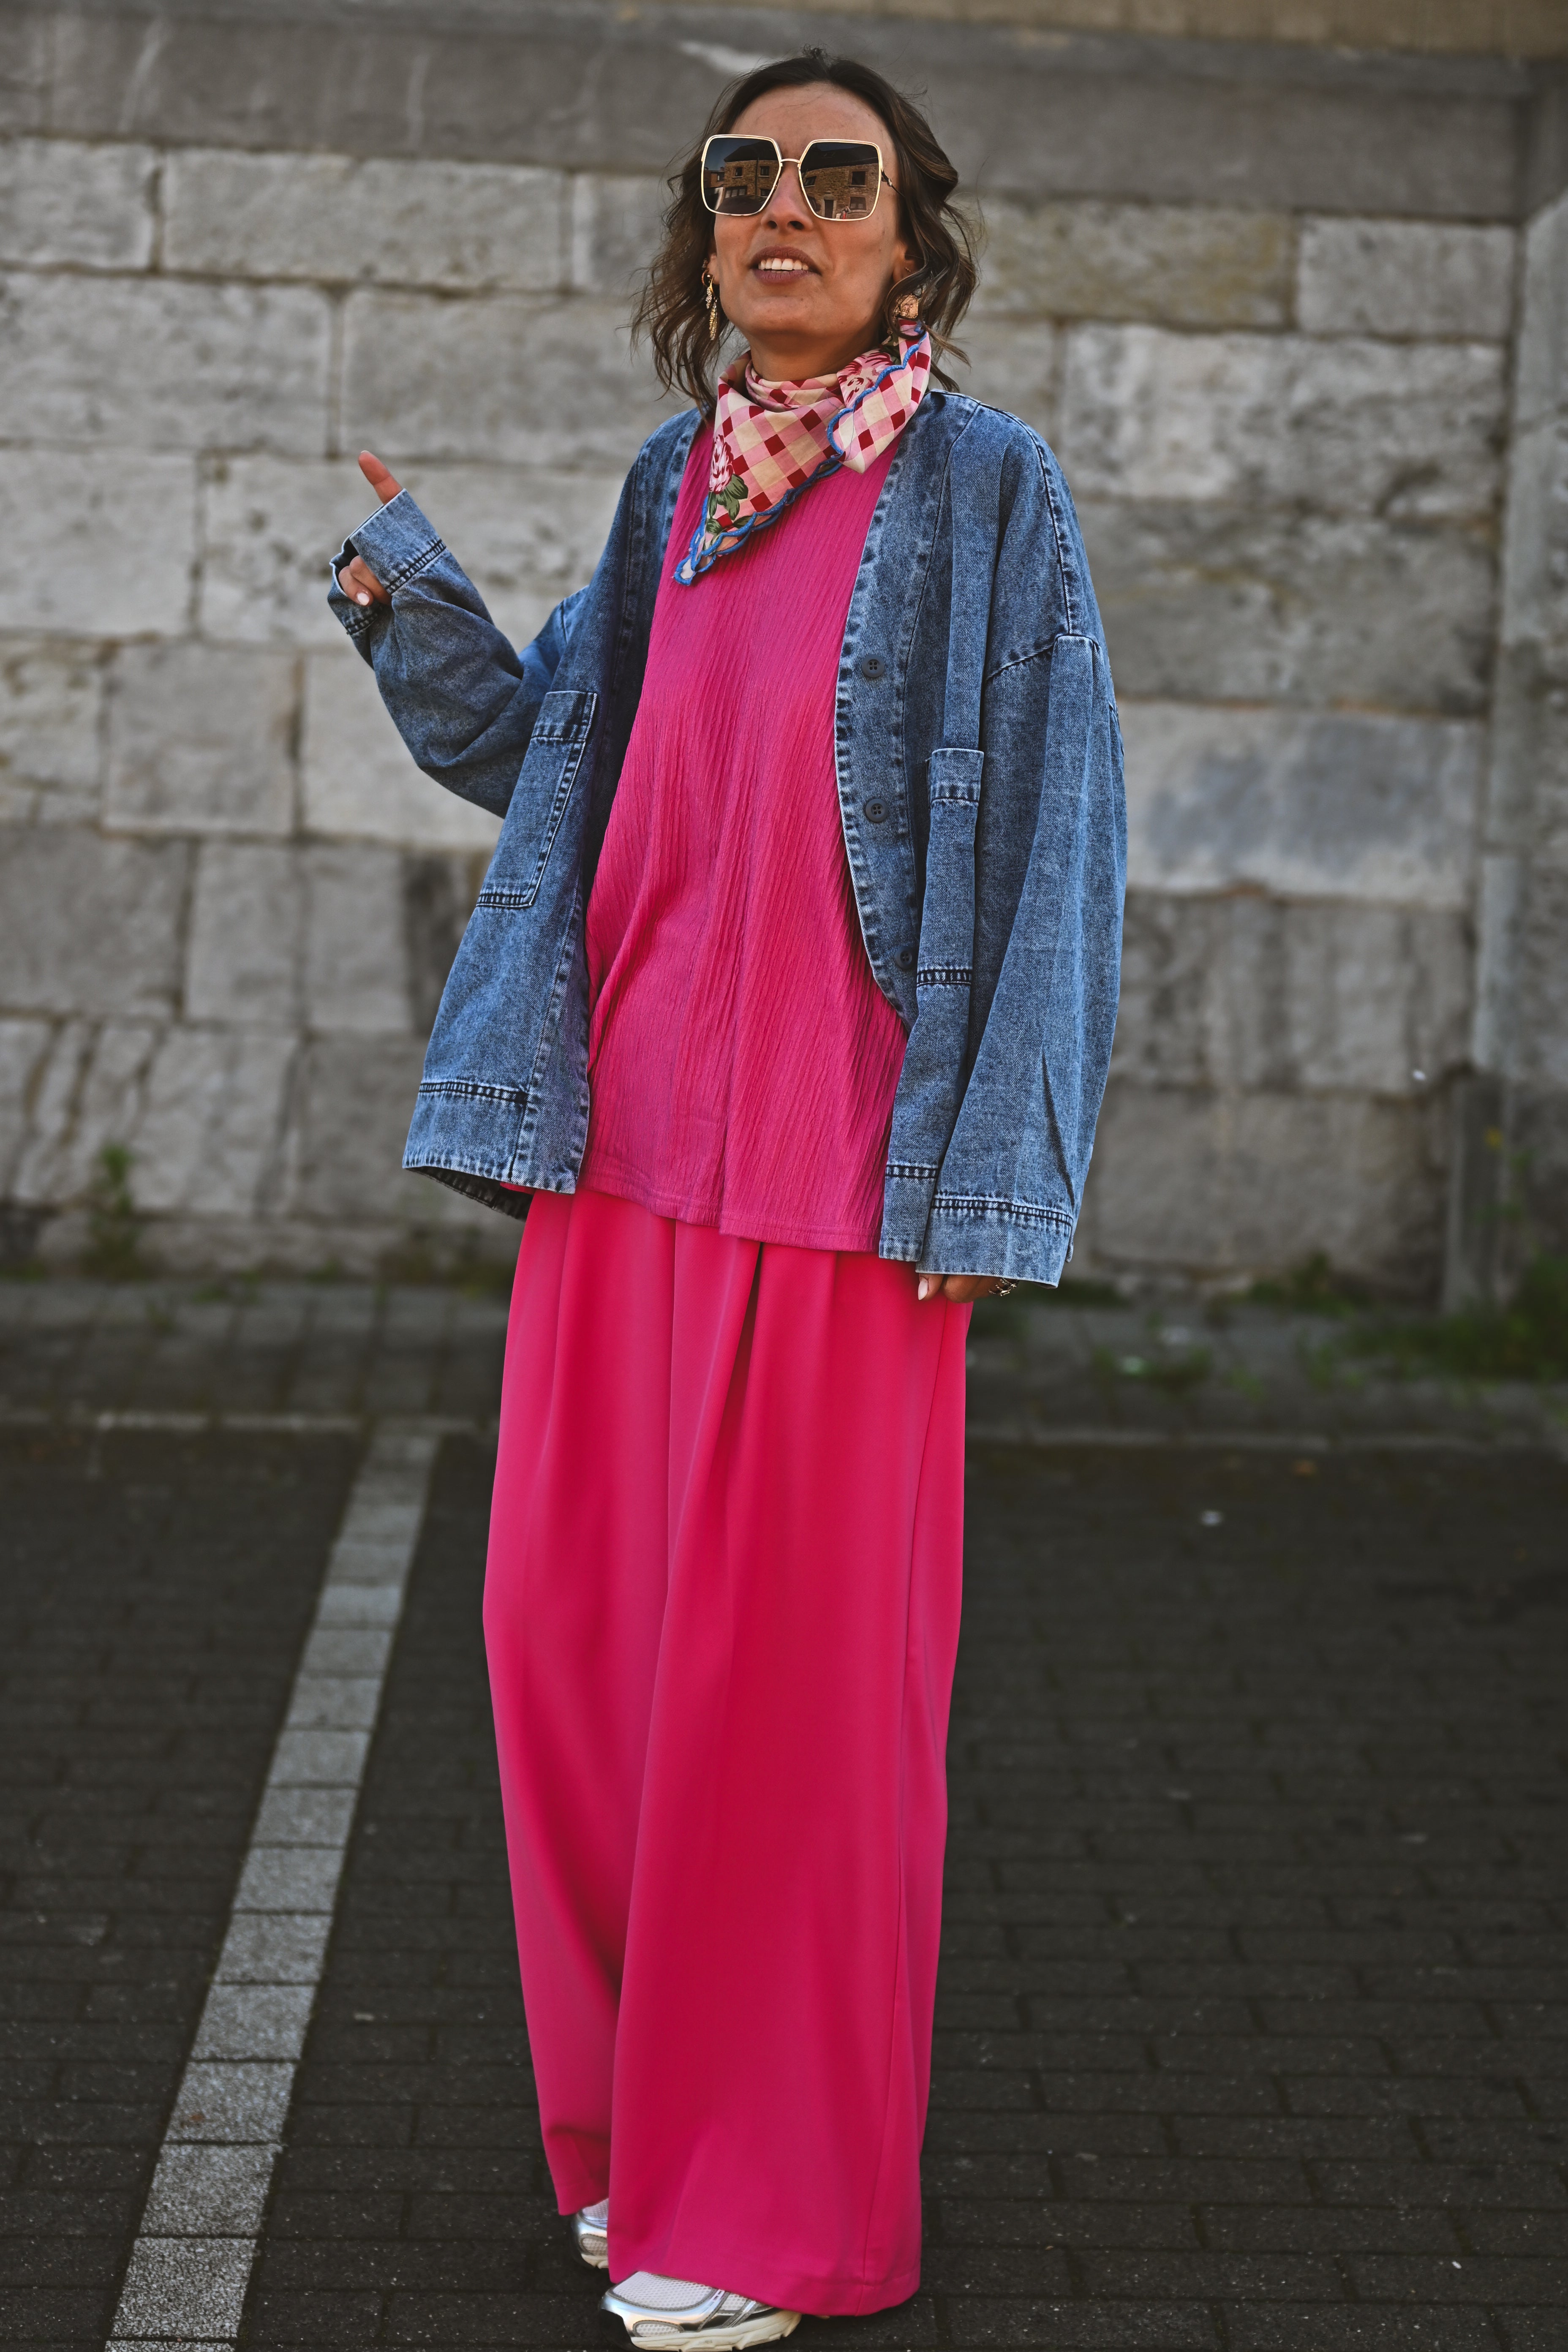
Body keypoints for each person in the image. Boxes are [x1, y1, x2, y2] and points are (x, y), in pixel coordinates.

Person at [329, 47, 1124, 2351]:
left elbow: (1060, 837)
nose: (785, 202)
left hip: (840, 1194)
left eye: (835, 174)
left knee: (788, 1729)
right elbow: (552, 759)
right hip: (616, 1162)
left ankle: (771, 2214)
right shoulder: (673, 483)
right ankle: (635, 2150)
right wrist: (412, 598)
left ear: (908, 236)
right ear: (704, 228)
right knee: (570, 1668)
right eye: (744, 169)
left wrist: (994, 1179)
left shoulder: (989, 492)